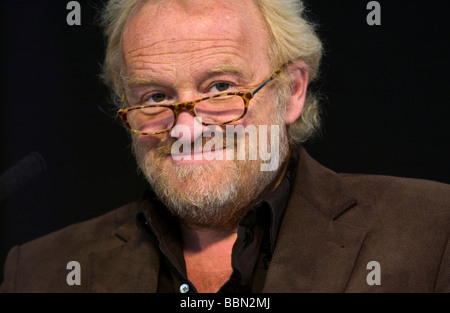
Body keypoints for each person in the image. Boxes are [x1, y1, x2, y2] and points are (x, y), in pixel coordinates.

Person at [1, 0, 449, 293]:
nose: (186, 130)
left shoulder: (432, 231)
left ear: (292, 91)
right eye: (155, 97)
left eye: (220, 87)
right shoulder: (39, 272)